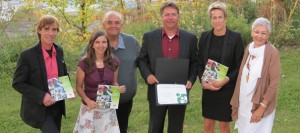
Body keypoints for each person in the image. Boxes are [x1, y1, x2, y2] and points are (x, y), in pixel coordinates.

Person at [137, 1, 198, 133]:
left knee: (176, 127)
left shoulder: (190, 38)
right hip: (156, 89)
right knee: (155, 126)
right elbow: (142, 59)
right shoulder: (149, 37)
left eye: (173, 14)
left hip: (180, 89)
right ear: (162, 17)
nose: (170, 17)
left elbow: (195, 62)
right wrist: (148, 75)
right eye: (167, 15)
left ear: (178, 16)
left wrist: (191, 79)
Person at [80, 11, 140, 133]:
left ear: (121, 25)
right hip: (99, 103)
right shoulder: (96, 44)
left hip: (124, 100)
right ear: (103, 25)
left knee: (121, 129)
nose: (113, 25)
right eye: (109, 22)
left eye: (117, 22)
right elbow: (83, 65)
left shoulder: (132, 42)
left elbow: (143, 62)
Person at [12, 15, 68, 133]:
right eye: (46, 29)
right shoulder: (27, 56)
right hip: (40, 109)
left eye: (54, 29)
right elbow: (17, 83)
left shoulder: (59, 51)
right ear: (39, 30)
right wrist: (42, 96)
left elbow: (63, 73)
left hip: (57, 104)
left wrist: (67, 89)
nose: (51, 33)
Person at [197, 1, 244, 133]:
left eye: (220, 17)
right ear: (210, 19)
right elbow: (200, 62)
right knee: (207, 124)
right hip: (208, 86)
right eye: (214, 17)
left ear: (225, 18)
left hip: (226, 88)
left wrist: (225, 80)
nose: (217, 20)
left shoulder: (235, 38)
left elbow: (239, 65)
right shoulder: (205, 37)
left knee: (224, 125)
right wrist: (203, 81)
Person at [230, 17, 281, 133]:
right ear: (252, 32)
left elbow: (274, 83)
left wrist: (261, 107)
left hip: (259, 104)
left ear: (268, 36)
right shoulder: (249, 48)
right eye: (256, 32)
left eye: (263, 33)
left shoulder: (272, 53)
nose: (259, 36)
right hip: (244, 103)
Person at [73, 30, 126, 133]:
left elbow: (114, 82)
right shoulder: (84, 63)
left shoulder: (114, 61)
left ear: (107, 44)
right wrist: (87, 100)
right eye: (97, 42)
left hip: (107, 109)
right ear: (92, 44)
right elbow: (79, 87)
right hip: (89, 108)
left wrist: (117, 90)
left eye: (104, 42)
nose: (101, 45)